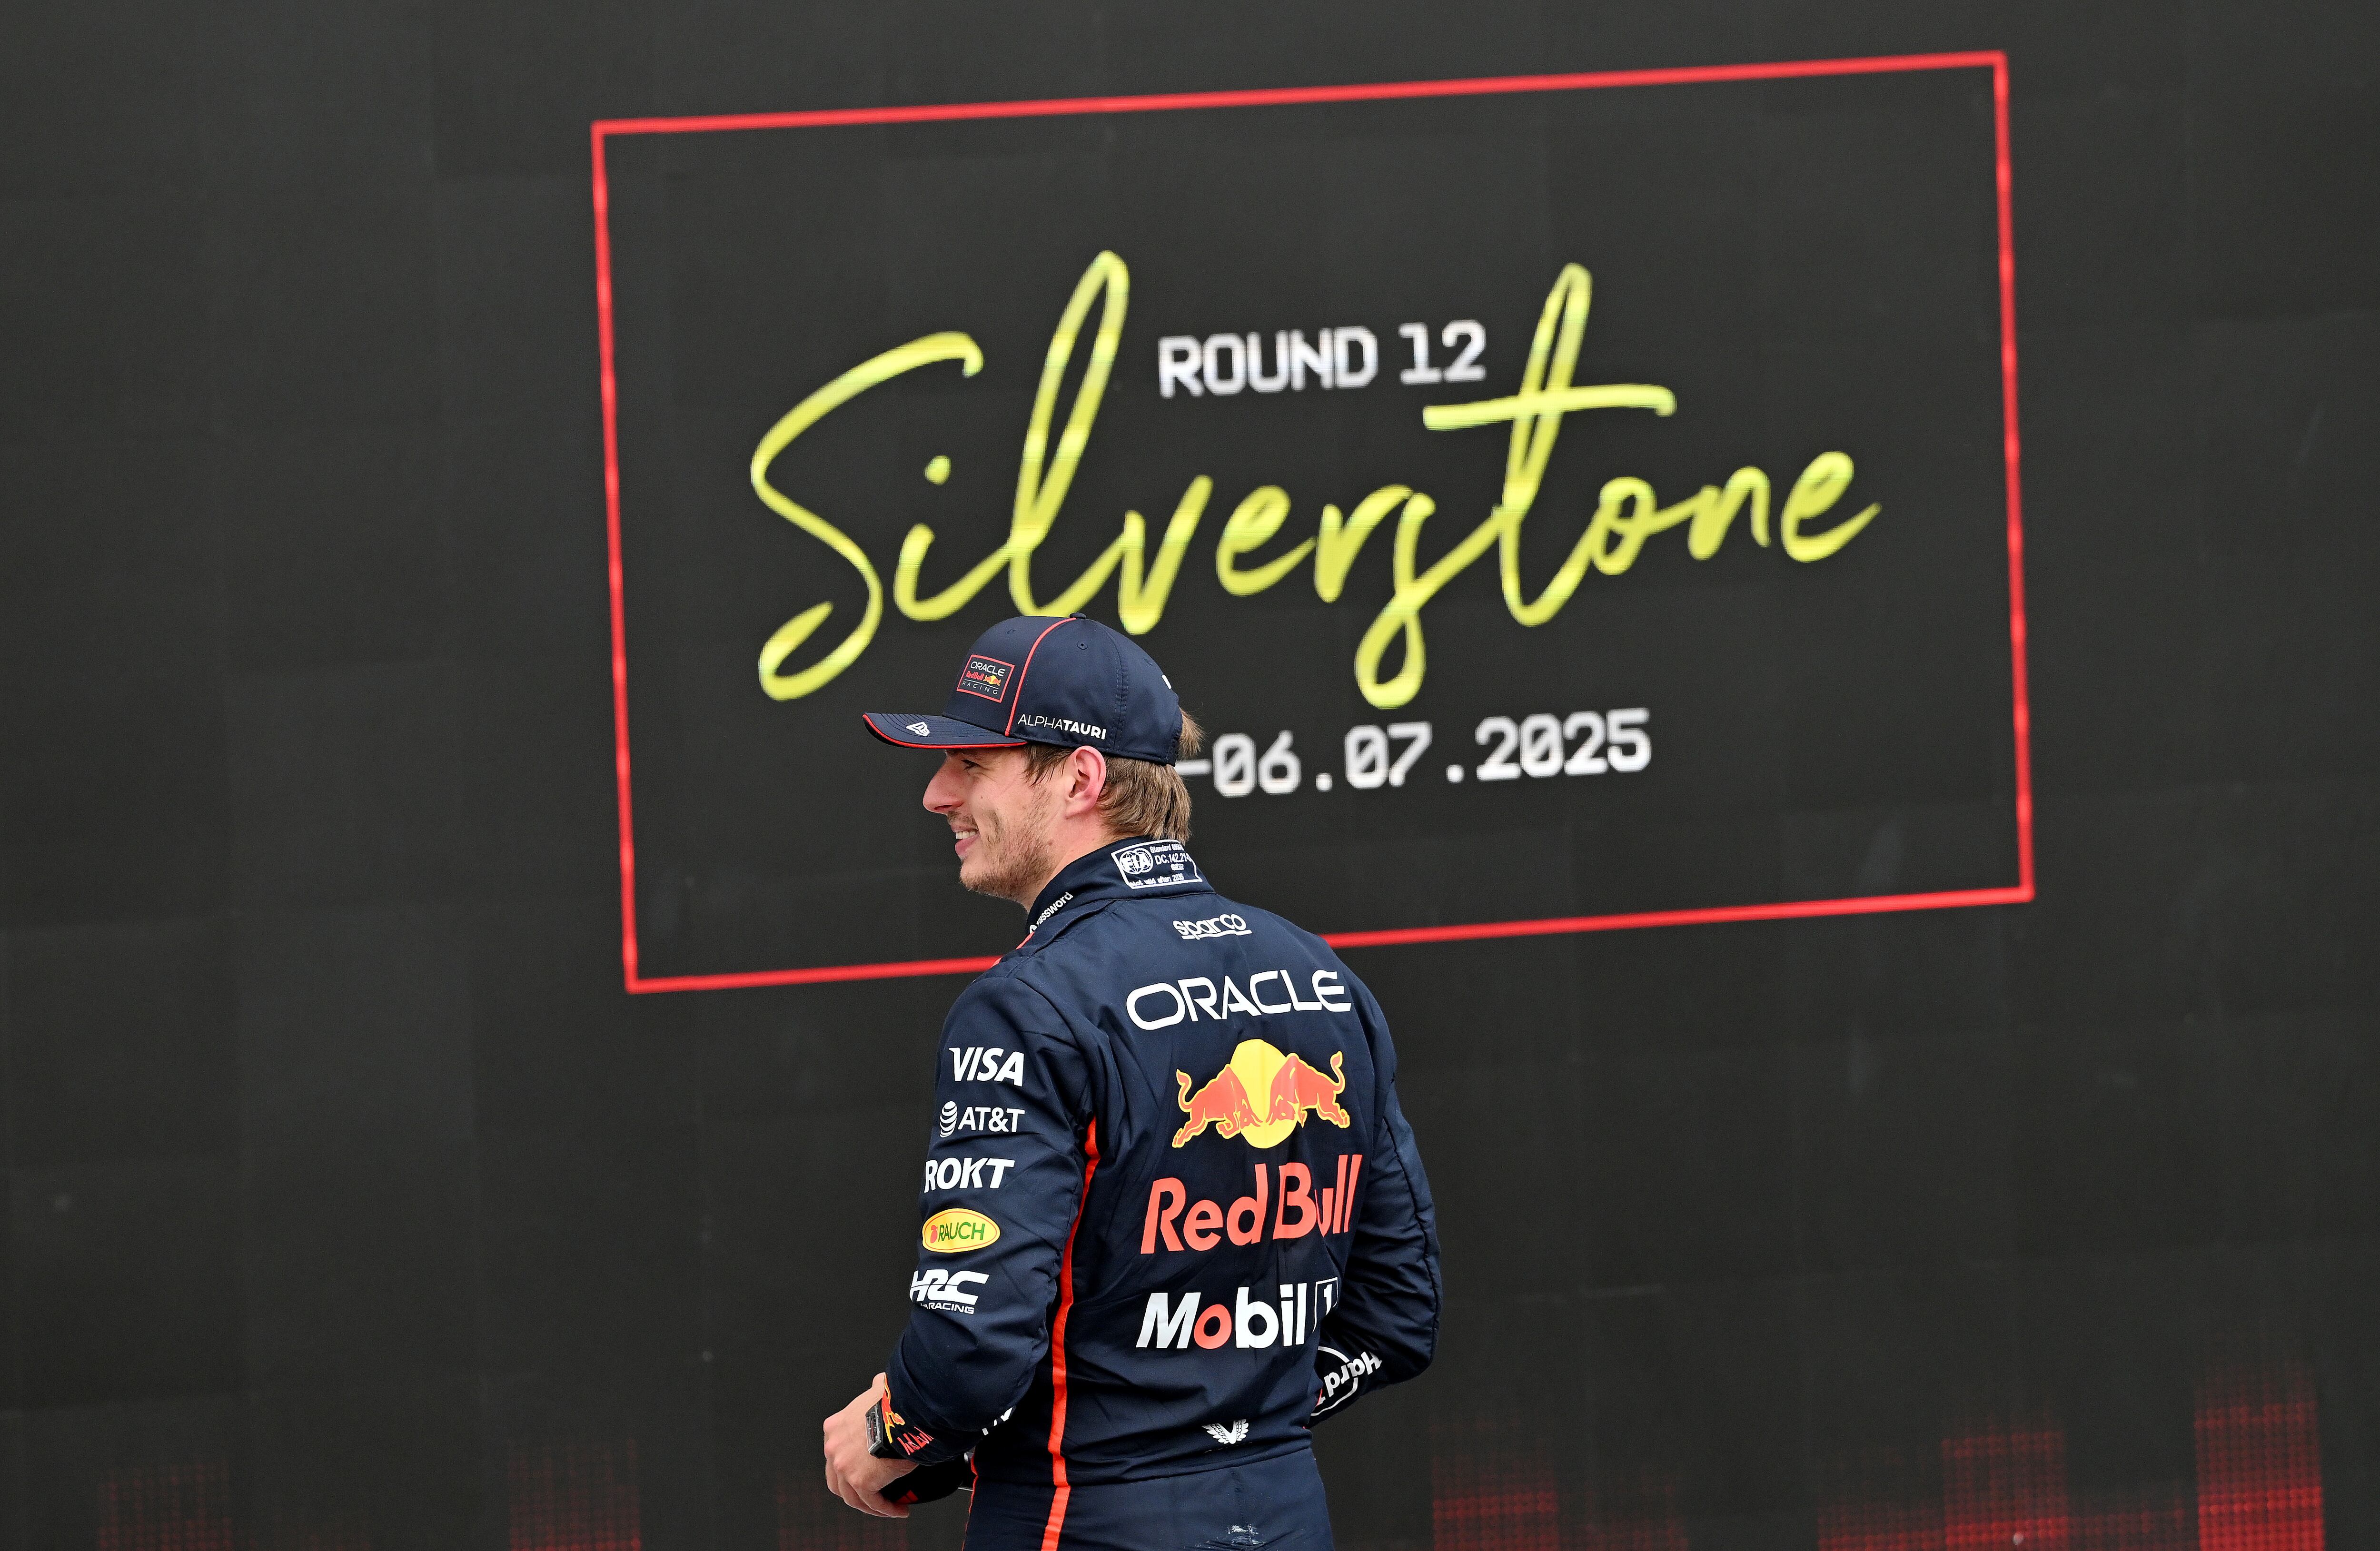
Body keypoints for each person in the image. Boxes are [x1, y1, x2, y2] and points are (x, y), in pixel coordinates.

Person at [820, 612, 1440, 1551]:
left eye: (974, 764)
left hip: (1084, 1519)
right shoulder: (1321, 975)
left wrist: (895, 1427)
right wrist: (1231, 1413)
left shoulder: (1026, 1003)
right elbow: (1396, 1315)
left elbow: (972, 1345)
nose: (936, 793)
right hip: (1283, 1516)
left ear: (1080, 777)